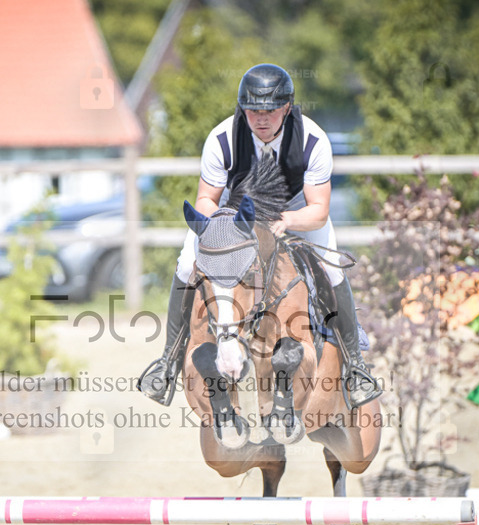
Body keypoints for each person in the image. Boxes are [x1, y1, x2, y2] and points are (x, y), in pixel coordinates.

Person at [138, 63, 380, 409]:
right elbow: (207, 197)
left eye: (269, 111)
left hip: (296, 211)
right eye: (252, 111)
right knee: (185, 262)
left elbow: (319, 209)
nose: (260, 119)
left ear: (286, 108)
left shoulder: (313, 140)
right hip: (232, 214)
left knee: (333, 269)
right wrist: (216, 226)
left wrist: (288, 219)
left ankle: (355, 366)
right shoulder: (222, 138)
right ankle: (168, 361)